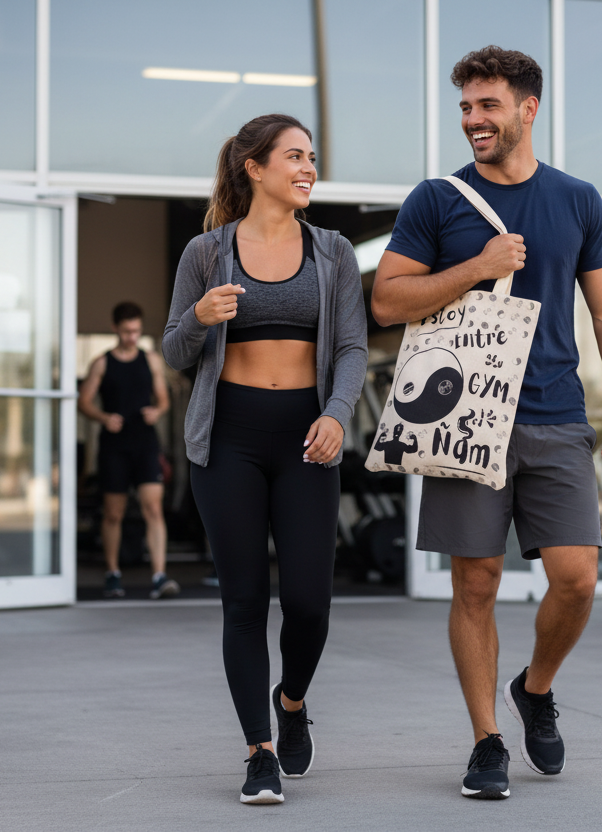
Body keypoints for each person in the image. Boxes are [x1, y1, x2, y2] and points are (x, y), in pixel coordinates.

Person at [372, 46, 602, 800]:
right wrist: (476, 266)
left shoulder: (578, 199)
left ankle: (537, 687)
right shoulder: (437, 200)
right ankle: (487, 738)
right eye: (464, 107)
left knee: (577, 578)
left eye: (487, 106)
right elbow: (388, 301)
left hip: (557, 413)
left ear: (528, 108)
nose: (472, 121)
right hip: (466, 417)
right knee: (476, 584)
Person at [162, 114, 367, 805]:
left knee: (309, 602)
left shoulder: (334, 251)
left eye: (312, 158)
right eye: (295, 157)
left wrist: (338, 415)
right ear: (255, 167)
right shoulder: (206, 253)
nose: (308, 168)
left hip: (308, 437)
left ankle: (292, 696)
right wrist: (201, 317)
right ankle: (259, 753)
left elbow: (351, 349)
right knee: (244, 600)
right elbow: (172, 353)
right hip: (229, 439)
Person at [78, 302, 180, 600]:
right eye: (126, 332)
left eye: (136, 331)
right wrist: (103, 417)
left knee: (153, 508)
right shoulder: (102, 363)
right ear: (115, 329)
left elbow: (163, 400)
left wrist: (157, 412)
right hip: (114, 447)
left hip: (145, 444)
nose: (132, 337)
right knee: (114, 513)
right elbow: (84, 402)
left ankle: (159, 577)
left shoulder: (150, 360)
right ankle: (113, 574)